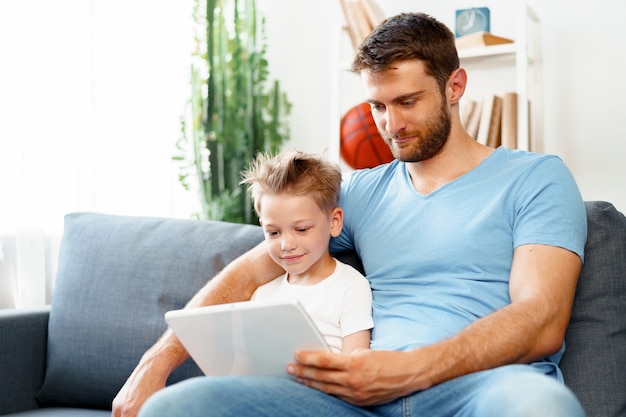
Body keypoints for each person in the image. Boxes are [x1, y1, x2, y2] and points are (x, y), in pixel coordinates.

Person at [113, 11, 588, 417]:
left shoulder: (536, 178)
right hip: (358, 399)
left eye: (407, 101)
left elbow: (541, 317)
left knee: (542, 406)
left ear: (455, 86)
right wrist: (155, 362)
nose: (391, 124)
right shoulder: (358, 192)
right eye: (378, 106)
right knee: (177, 407)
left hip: (480, 388)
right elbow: (249, 271)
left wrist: (411, 367)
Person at [242, 149, 373, 354]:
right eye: (273, 232)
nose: (286, 244)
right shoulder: (262, 294)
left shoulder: (351, 288)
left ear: (334, 222)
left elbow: (355, 365)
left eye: (301, 229)